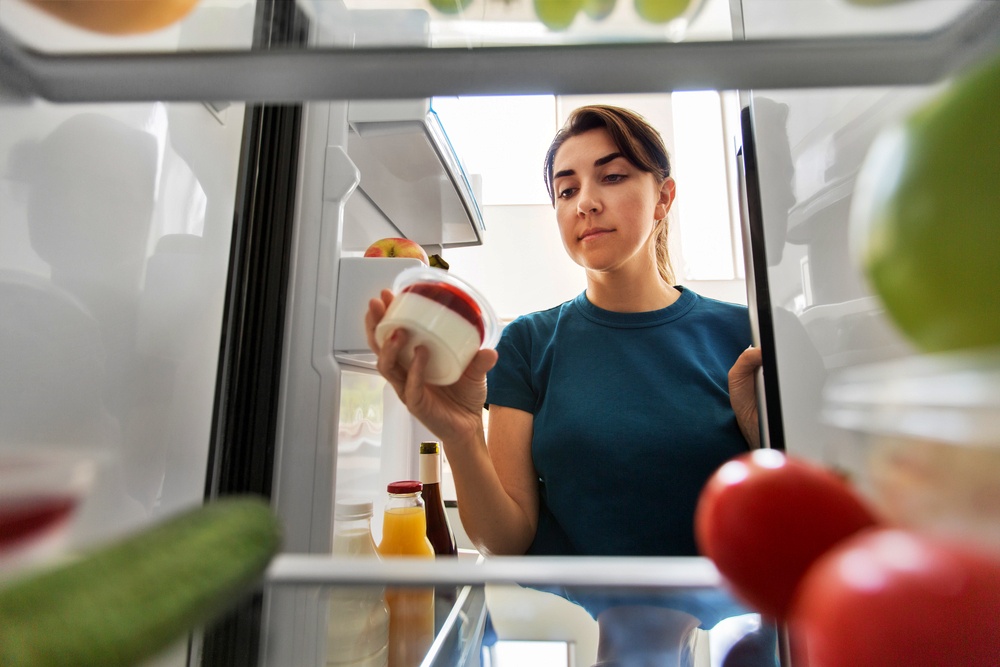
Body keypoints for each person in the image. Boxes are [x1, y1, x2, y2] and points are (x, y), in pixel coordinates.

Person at [365, 105, 768, 661]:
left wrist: (763, 437)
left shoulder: (741, 334)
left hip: (736, 636)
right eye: (565, 188)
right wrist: (460, 435)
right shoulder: (529, 342)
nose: (586, 202)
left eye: (613, 176)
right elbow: (507, 538)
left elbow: (795, 514)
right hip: (571, 629)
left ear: (664, 197)